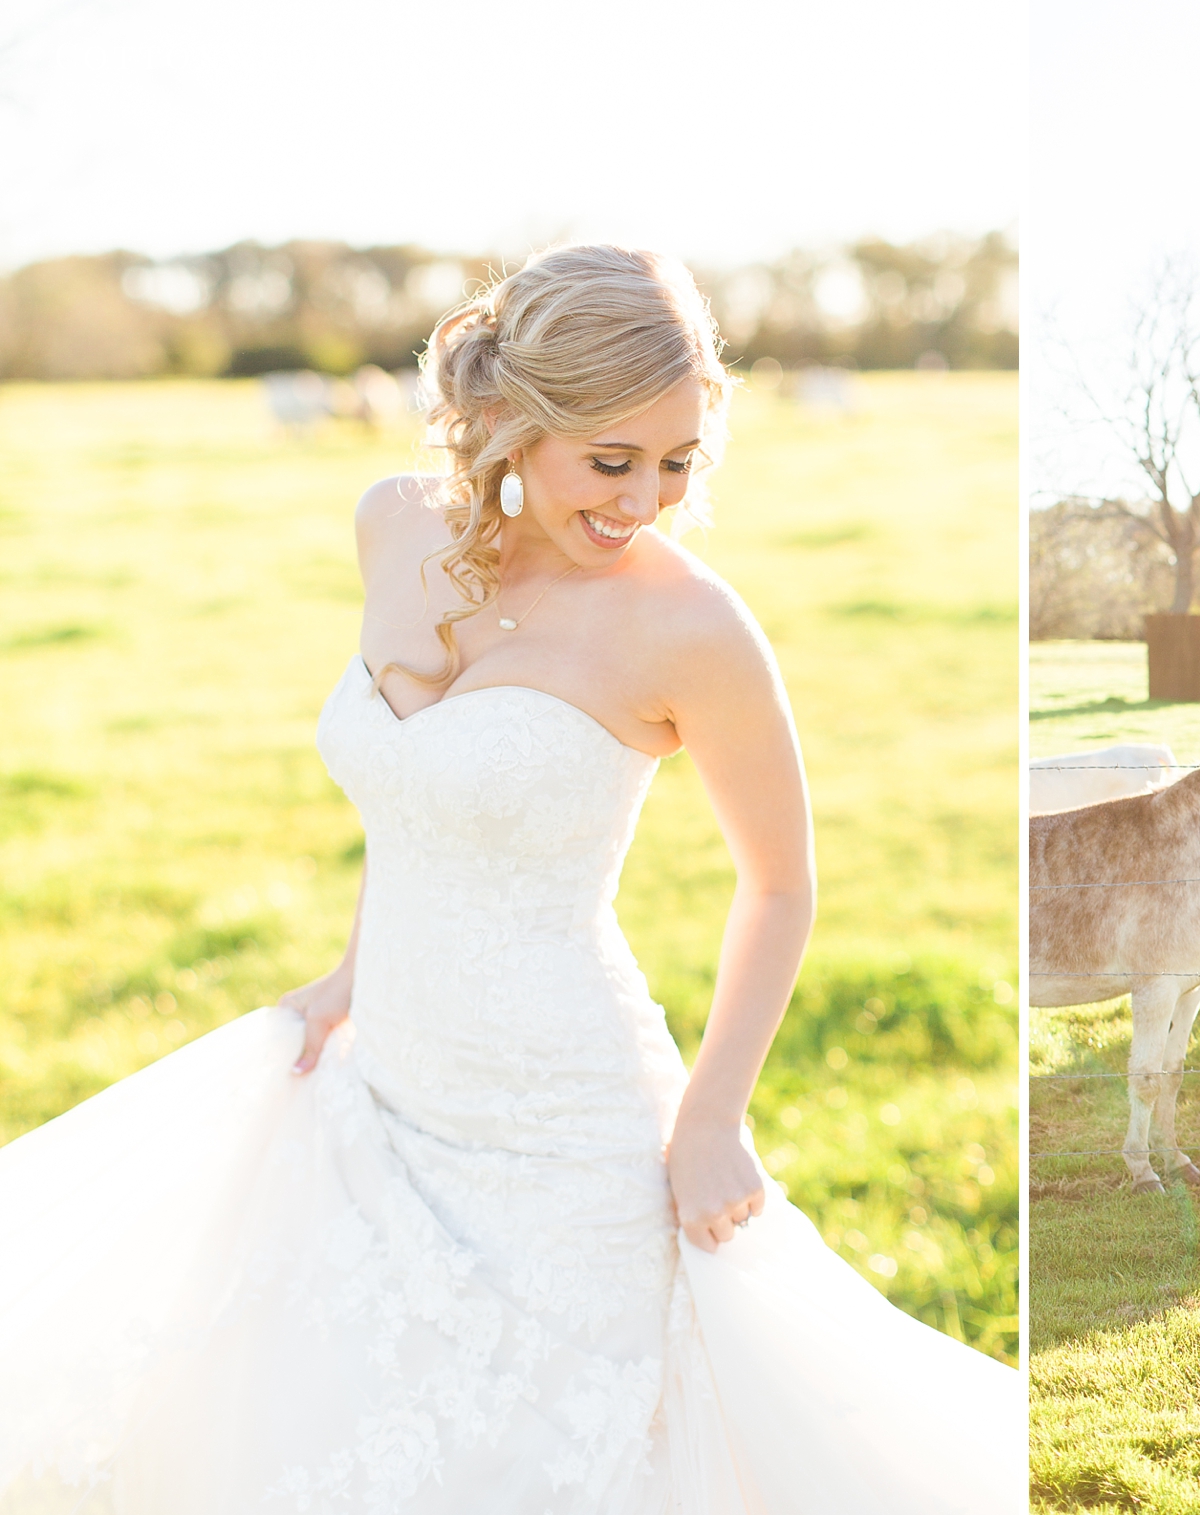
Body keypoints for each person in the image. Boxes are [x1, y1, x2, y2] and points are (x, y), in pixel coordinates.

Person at [0, 244, 1019, 1512]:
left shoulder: (691, 628)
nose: (646, 498)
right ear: (510, 421)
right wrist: (350, 972)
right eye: (611, 460)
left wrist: (711, 1116)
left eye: (677, 461)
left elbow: (781, 886)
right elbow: (422, 801)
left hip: (566, 1128)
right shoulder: (391, 524)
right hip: (390, 1079)